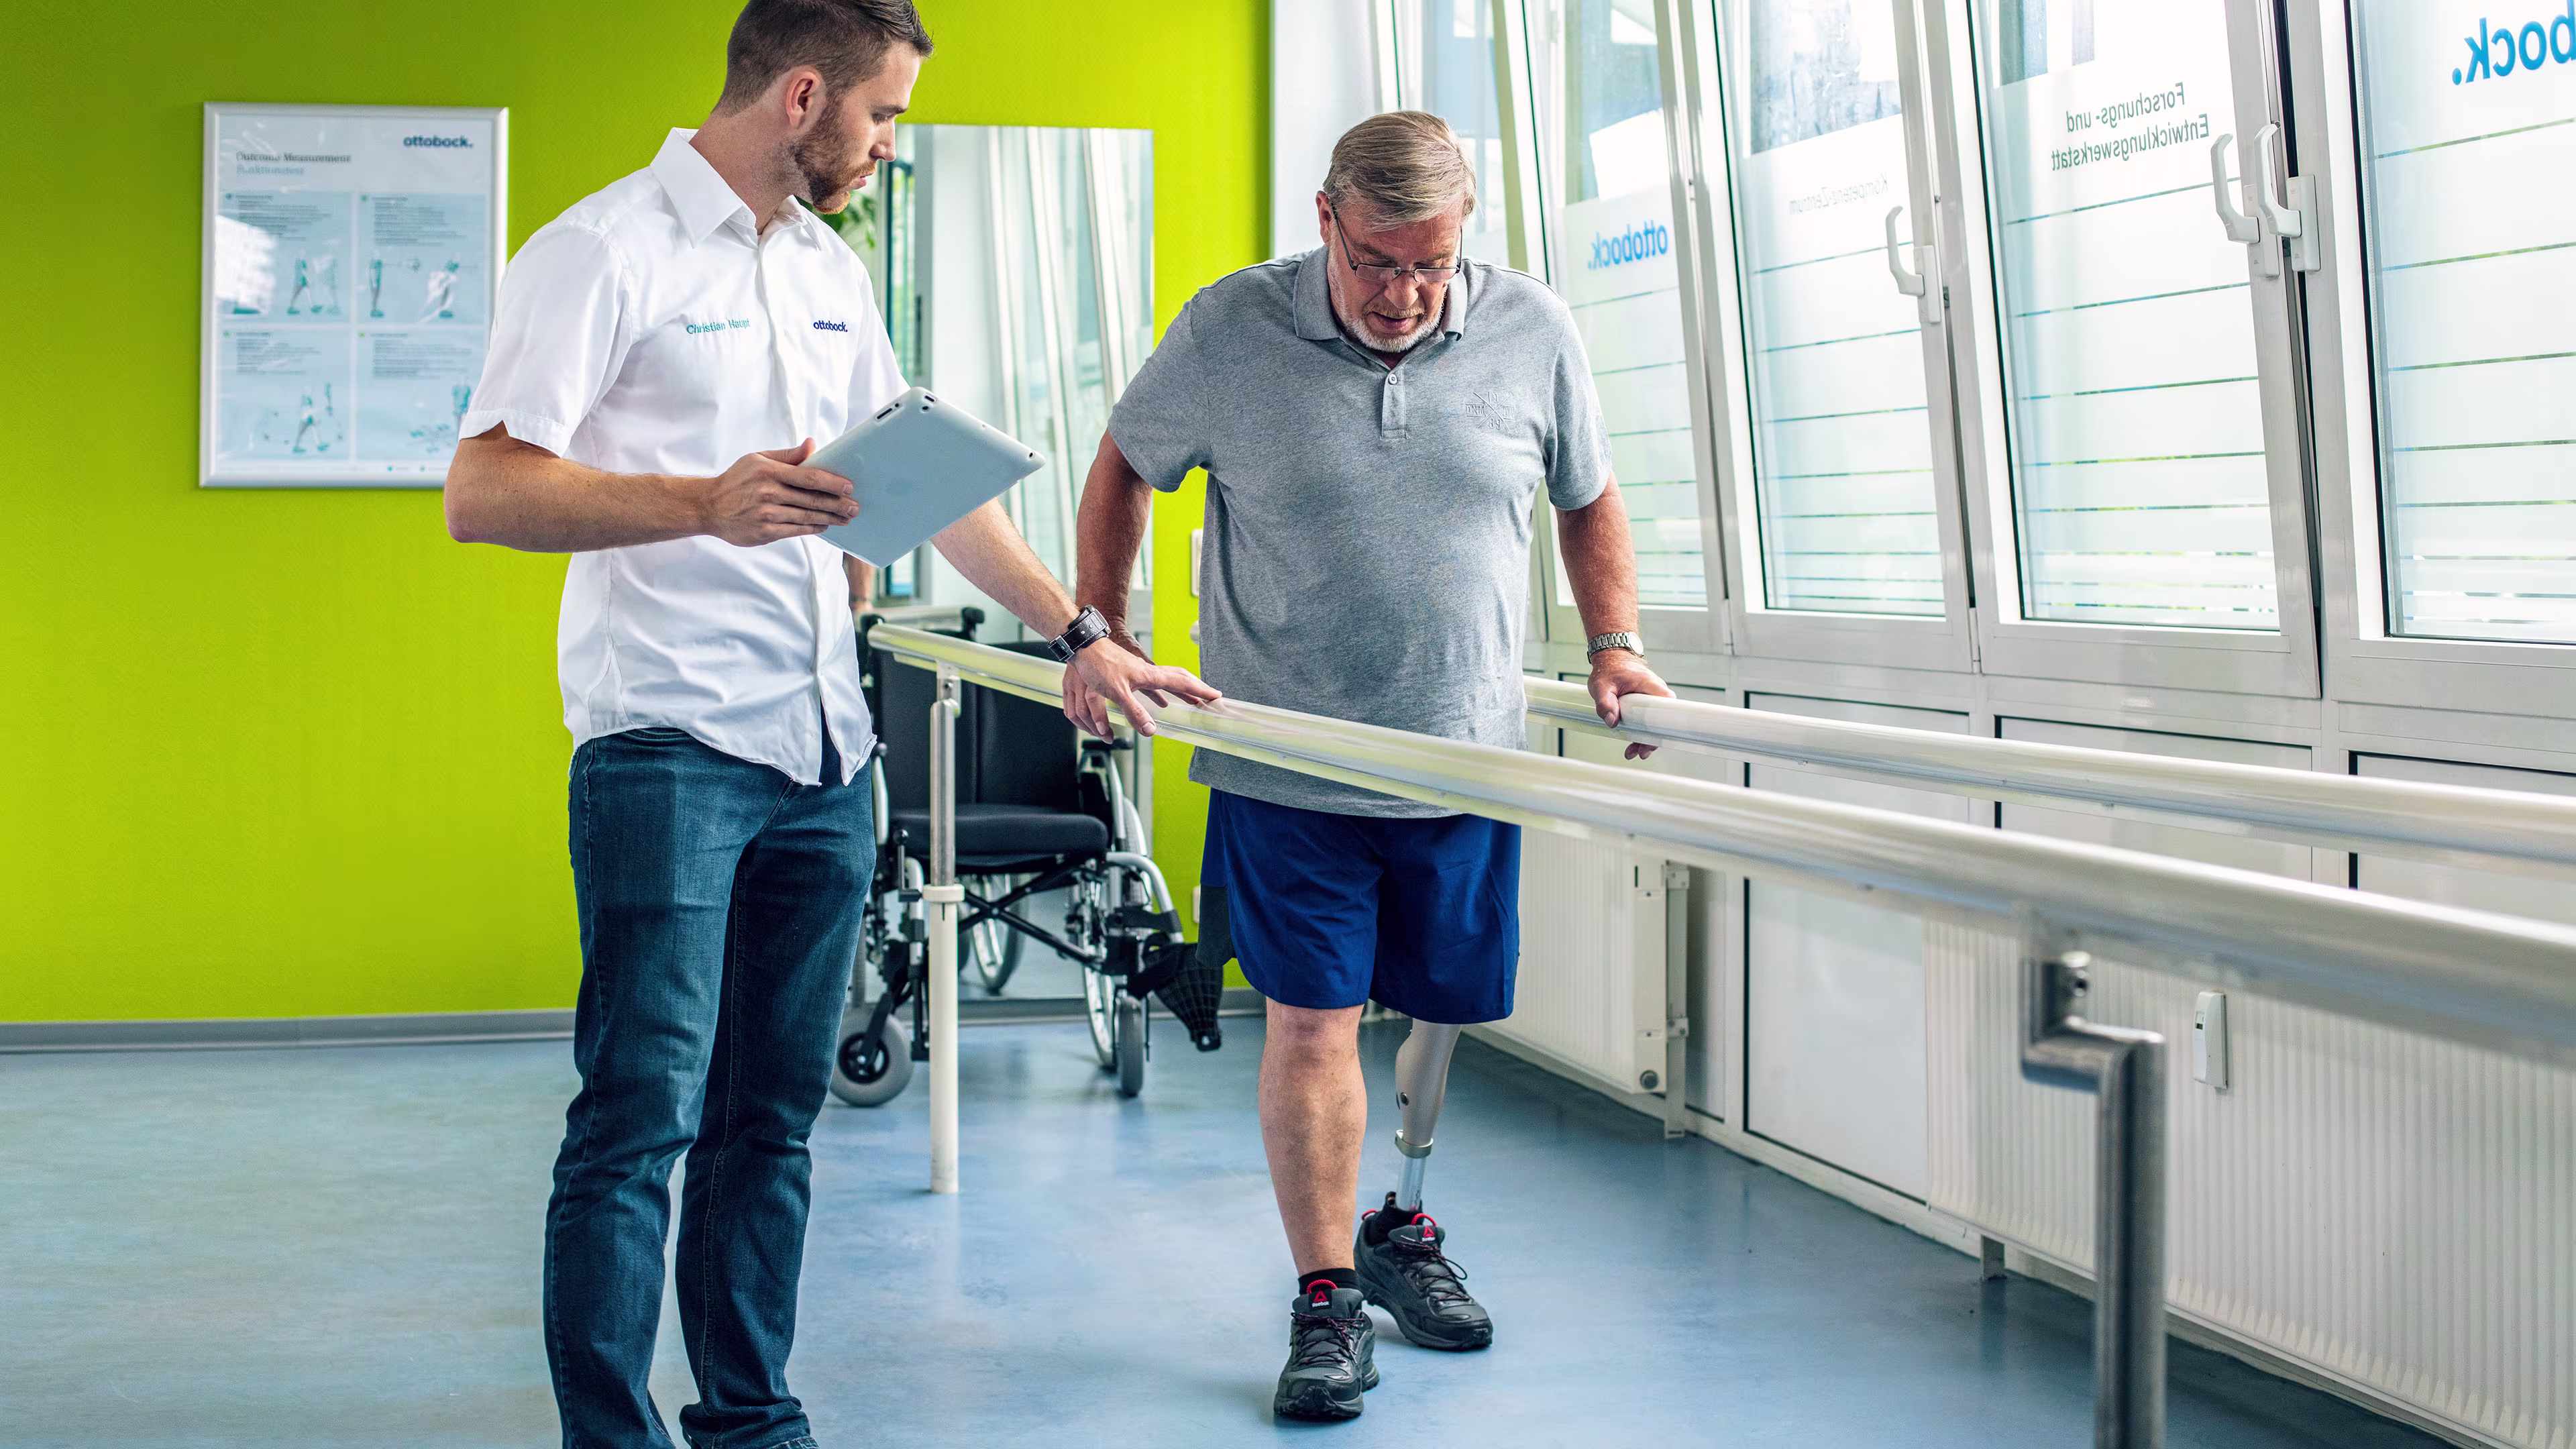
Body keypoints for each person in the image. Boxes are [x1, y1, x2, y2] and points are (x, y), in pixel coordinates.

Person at [443, 3, 1214, 1444]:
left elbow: (927, 495)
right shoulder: (602, 251)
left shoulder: (828, 272)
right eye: (883, 116)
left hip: (821, 755)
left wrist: (1081, 633)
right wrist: (697, 501)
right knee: (637, 1123)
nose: (886, 143)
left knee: (768, 1125)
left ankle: (749, 1417)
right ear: (804, 95)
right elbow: (482, 490)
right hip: (668, 747)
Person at [1063, 110, 1674, 1422]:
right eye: (1378, 262)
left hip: (1466, 763)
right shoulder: (1231, 330)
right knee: (1312, 1024)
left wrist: (1616, 644)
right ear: (1326, 220)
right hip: (1289, 760)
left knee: (1443, 1008)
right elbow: (1125, 463)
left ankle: (1401, 1225)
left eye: (1431, 268)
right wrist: (1102, 630)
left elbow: (1588, 493)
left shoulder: (1534, 331)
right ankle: (1329, 1296)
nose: (1403, 296)